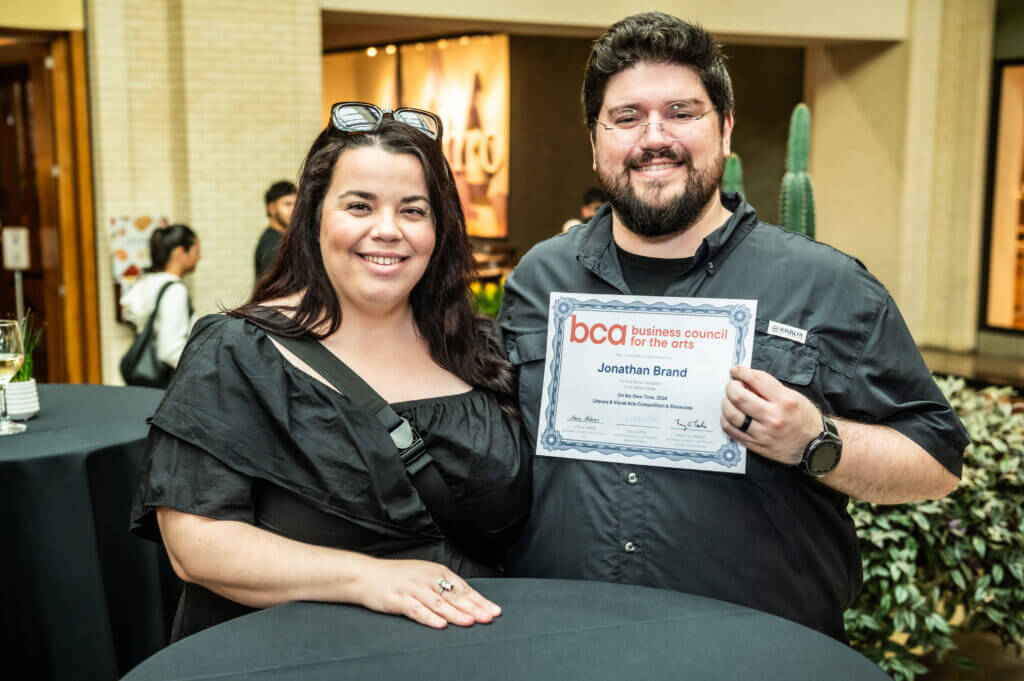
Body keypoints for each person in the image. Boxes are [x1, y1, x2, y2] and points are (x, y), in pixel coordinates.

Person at [498, 11, 968, 642]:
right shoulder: (538, 279)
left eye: (682, 112)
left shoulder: (827, 286)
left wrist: (817, 442)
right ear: (595, 139)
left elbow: (937, 459)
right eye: (627, 116)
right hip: (564, 642)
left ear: (724, 129)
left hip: (758, 650)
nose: (653, 137)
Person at [131, 104, 530, 641]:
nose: (387, 230)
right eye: (359, 205)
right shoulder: (239, 352)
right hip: (298, 655)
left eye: (414, 210)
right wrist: (369, 579)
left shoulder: (480, 349)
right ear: (315, 215)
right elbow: (196, 545)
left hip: (469, 651)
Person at [120, 223, 200, 371]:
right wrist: (200, 370)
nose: (199, 258)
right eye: (196, 251)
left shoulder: (147, 283)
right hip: (167, 381)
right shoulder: (175, 290)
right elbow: (170, 350)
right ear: (180, 252)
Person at [254, 180, 297, 278]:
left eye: (296, 204)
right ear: (271, 208)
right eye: (287, 204)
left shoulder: (282, 239)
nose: (294, 210)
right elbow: (274, 290)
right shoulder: (272, 244)